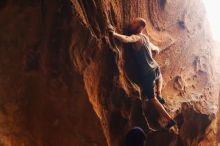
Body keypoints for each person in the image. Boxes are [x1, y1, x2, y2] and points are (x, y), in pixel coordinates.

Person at [108, 18, 176, 129]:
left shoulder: (137, 37)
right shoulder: (145, 38)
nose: (131, 23)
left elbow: (126, 39)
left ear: (140, 28)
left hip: (147, 73)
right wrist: (154, 53)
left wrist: (114, 34)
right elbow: (156, 48)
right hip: (154, 67)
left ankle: (170, 120)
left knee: (152, 99)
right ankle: (159, 93)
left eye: (134, 23)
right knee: (159, 76)